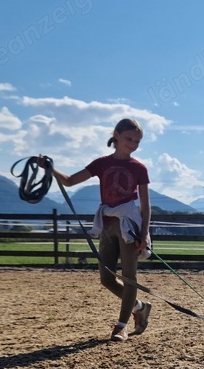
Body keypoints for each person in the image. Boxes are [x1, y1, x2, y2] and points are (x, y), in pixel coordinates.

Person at [43, 118, 153, 342]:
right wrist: (50, 169)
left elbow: (145, 204)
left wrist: (144, 235)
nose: (132, 144)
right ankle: (139, 307)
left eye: (137, 141)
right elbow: (71, 181)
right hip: (108, 222)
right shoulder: (101, 163)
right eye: (128, 138)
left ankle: (121, 326)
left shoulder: (139, 168)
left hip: (129, 224)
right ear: (116, 135)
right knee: (106, 278)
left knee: (129, 276)